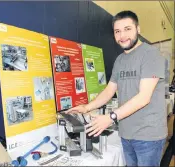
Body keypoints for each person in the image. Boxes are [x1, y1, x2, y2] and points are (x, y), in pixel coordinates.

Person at [66, 11, 167, 166]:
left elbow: (144, 97)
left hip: (148, 136)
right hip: (126, 133)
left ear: (138, 29)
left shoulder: (151, 54)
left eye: (127, 29)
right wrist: (86, 107)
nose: (122, 36)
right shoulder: (120, 60)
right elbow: (109, 90)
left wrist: (110, 118)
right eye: (117, 31)